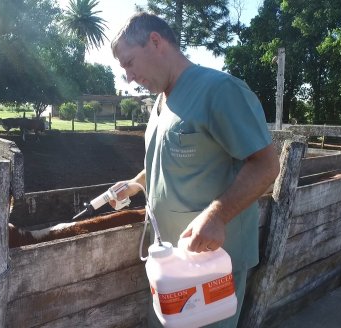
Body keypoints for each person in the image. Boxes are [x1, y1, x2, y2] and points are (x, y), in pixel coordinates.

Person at [109, 12, 280, 328]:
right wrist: (134, 184)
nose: (129, 77)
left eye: (130, 63)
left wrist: (216, 216)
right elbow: (169, 163)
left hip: (212, 265)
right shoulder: (160, 104)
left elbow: (266, 164)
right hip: (169, 266)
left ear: (155, 41)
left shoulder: (220, 90)